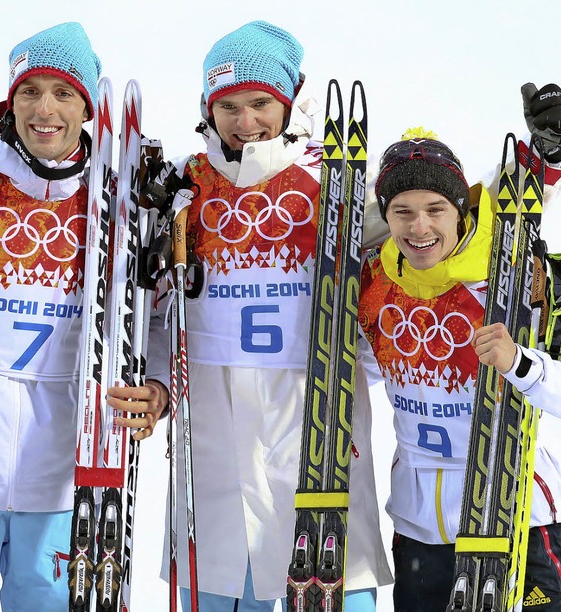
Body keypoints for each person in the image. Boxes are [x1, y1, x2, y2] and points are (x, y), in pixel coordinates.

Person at [139, 19, 393, 612]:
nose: (244, 121)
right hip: (213, 423)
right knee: (221, 582)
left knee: (331, 579)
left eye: (260, 103)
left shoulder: (337, 176)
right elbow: (154, 303)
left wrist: (543, 174)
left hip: (312, 414)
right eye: (227, 105)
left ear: (287, 99)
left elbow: (431, 231)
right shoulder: (183, 183)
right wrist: (155, 378)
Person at [0, 22, 166, 611]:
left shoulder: (118, 199)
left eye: (63, 93)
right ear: (9, 101)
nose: (45, 109)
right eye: (29, 90)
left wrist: (158, 385)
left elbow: (157, 315)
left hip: (72, 482)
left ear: (87, 107)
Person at [358, 105, 561, 611]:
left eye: (435, 209)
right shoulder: (378, 289)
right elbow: (359, 369)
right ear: (385, 217)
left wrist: (522, 364)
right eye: (402, 211)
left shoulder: (519, 279)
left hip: (522, 515)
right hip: (420, 528)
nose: (419, 226)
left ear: (461, 210)